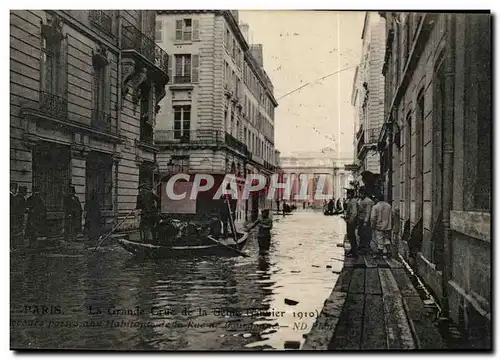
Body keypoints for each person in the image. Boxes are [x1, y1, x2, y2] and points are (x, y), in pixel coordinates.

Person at [357, 186, 374, 255]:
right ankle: (362, 246)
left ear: (364, 193)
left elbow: (368, 212)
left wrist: (365, 222)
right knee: (361, 233)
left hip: (366, 221)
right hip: (361, 219)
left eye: (360, 194)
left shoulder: (368, 201)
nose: (359, 195)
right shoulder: (361, 200)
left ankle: (365, 248)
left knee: (366, 234)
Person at [344, 189, 359, 257]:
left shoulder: (353, 201)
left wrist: (351, 220)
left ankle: (354, 252)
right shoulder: (351, 201)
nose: (347, 195)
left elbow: (354, 212)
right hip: (350, 220)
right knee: (350, 236)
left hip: (351, 221)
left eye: (347, 194)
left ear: (350, 194)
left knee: (351, 236)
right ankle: (352, 250)